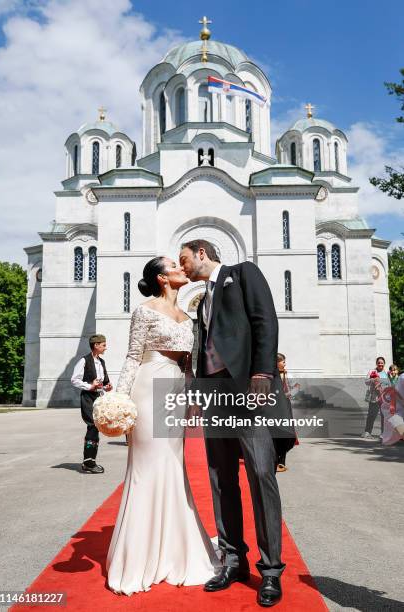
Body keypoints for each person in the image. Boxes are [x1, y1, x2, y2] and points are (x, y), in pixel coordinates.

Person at [179, 240, 294, 608]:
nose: (182, 268)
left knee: (261, 475)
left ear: (201, 252)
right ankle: (233, 560)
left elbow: (265, 320)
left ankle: (271, 569)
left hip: (247, 388)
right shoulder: (202, 304)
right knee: (220, 477)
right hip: (215, 394)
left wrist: (262, 371)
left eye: (184, 259)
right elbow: (204, 349)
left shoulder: (243, 273)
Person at [106, 257, 219, 597]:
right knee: (148, 466)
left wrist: (196, 395)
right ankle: (138, 555)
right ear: (161, 278)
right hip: (147, 383)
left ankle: (173, 546)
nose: (182, 269)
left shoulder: (188, 316)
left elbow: (190, 364)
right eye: (174, 266)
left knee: (172, 466)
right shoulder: (145, 310)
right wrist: (119, 400)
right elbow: (131, 356)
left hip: (177, 391)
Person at [71, 334, 113, 474]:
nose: (105, 348)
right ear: (96, 345)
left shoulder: (102, 362)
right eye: (103, 345)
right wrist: (90, 386)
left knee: (96, 427)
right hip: (88, 398)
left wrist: (106, 386)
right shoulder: (84, 360)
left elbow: (104, 381)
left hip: (99, 398)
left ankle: (89, 461)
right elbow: (74, 380)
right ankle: (89, 462)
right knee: (93, 427)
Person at [361, 357, 389, 440]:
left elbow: (389, 383)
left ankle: (383, 433)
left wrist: (382, 382)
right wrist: (373, 380)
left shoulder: (386, 373)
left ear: (384, 364)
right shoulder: (372, 371)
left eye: (382, 363)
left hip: (384, 397)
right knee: (371, 415)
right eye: (379, 363)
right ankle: (367, 432)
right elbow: (366, 381)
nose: (380, 364)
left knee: (384, 416)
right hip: (374, 397)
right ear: (376, 363)